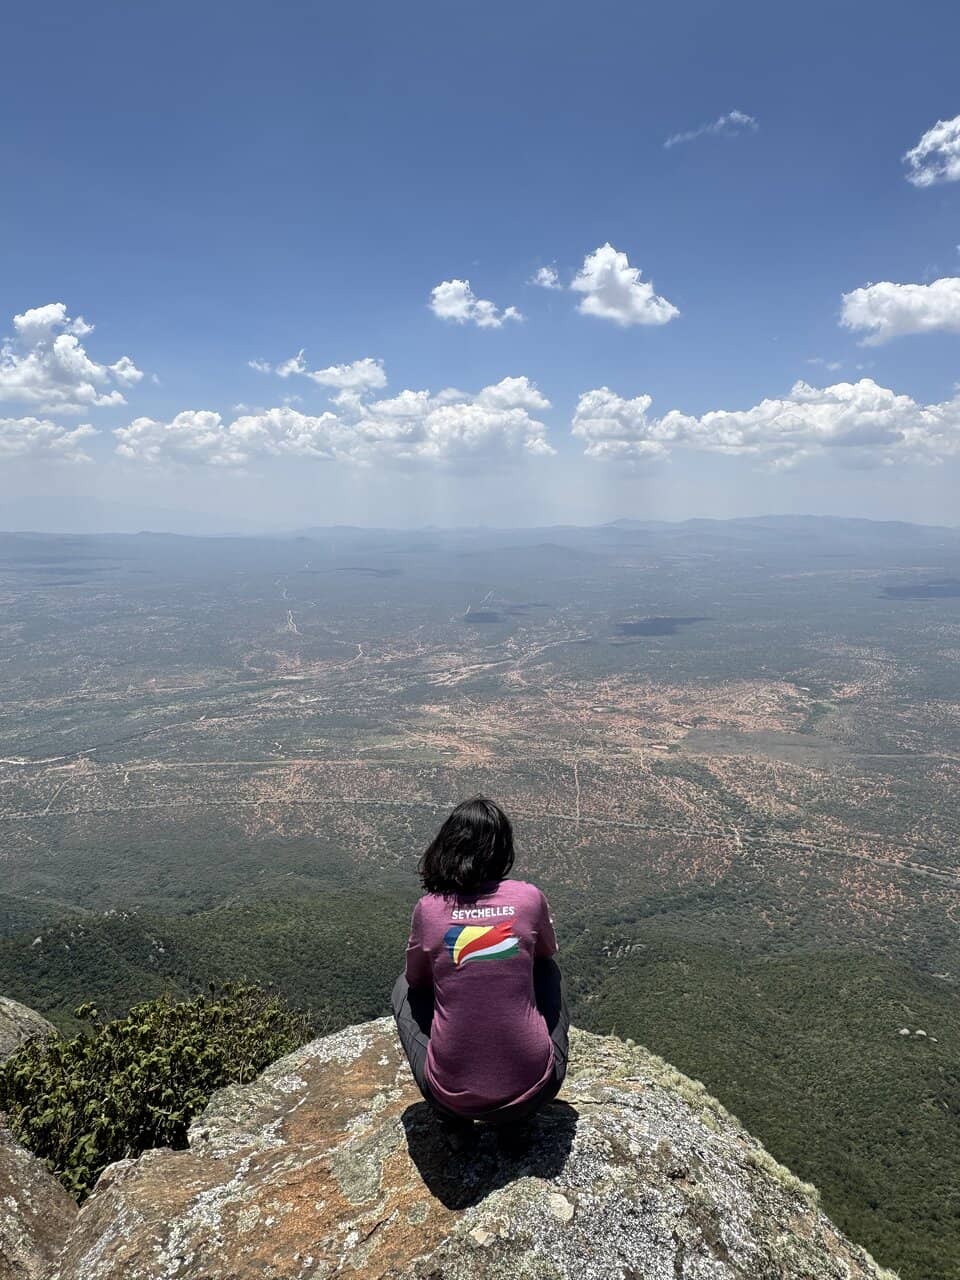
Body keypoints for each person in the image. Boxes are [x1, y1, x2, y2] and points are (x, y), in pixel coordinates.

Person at [391, 794, 570, 1152]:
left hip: (450, 1097)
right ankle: (515, 1121)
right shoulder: (528, 898)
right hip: (536, 1091)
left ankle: (453, 1121)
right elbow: (547, 953)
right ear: (503, 849)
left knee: (402, 987)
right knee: (546, 970)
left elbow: (417, 981)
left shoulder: (429, 910)